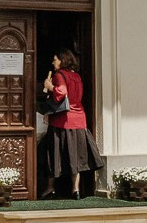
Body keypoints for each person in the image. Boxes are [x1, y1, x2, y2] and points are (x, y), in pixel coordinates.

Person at [39, 50, 103, 199]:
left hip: (62, 121)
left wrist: (50, 87)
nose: (53, 62)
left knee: (54, 155)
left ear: (62, 60)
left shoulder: (59, 75)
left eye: (55, 60)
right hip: (79, 119)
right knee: (75, 156)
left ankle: (50, 188)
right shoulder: (76, 76)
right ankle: (76, 190)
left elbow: (61, 93)